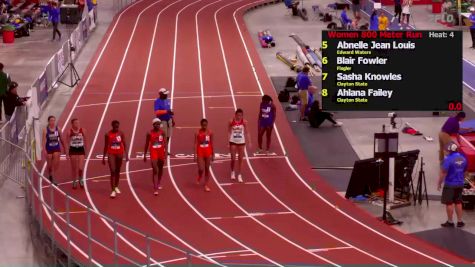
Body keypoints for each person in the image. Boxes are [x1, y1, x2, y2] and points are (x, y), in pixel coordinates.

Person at [438, 142, 467, 228]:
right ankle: (460, 221)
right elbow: (465, 172)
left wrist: (439, 183)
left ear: (449, 150)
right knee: (458, 202)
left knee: (449, 203)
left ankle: (450, 222)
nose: (445, 151)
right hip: (460, 183)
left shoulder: (448, 159)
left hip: (450, 184)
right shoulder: (463, 158)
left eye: (446, 150)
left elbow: (443, 173)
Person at [102, 120, 129, 198]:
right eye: (115, 126)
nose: (117, 128)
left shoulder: (121, 133)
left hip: (119, 154)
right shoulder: (107, 134)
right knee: (113, 171)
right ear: (112, 126)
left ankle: (116, 186)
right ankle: (113, 190)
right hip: (111, 154)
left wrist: (126, 155)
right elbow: (105, 146)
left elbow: (124, 144)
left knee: (118, 171)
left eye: (118, 126)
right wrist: (103, 157)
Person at [144, 118, 167, 195]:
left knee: (160, 168)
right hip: (153, 152)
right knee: (155, 169)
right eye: (156, 124)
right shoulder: (149, 133)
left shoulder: (162, 132)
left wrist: (166, 152)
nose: (157, 125)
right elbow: (147, 144)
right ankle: (155, 187)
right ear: (153, 125)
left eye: (159, 124)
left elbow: (165, 143)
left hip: (161, 152)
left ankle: (159, 182)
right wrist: (144, 155)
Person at [229, 109, 250, 183]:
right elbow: (229, 131)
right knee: (233, 158)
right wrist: (227, 141)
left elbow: (247, 132)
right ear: (235, 115)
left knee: (240, 158)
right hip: (233, 141)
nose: (239, 117)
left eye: (241, 115)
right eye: (238, 115)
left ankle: (240, 174)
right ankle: (232, 171)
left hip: (241, 142)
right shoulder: (231, 121)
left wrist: (249, 141)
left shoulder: (244, 122)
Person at [43, 115, 65, 186]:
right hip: (49, 148)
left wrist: (65, 148)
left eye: (53, 120)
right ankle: (50, 174)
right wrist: (44, 150)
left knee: (55, 160)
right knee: (49, 164)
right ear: (48, 122)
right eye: (51, 121)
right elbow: (44, 141)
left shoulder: (58, 129)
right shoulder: (45, 130)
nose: (52, 122)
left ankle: (52, 176)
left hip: (56, 147)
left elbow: (62, 139)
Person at [66, 118, 87, 189]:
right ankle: (74, 180)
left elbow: (86, 141)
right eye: (75, 123)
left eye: (78, 123)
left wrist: (86, 150)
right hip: (73, 150)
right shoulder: (69, 132)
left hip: (81, 149)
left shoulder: (83, 130)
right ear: (72, 124)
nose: (77, 124)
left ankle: (80, 179)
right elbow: (67, 142)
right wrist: (67, 153)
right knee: (74, 168)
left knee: (80, 168)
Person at [194, 118, 214, 192]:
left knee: (207, 168)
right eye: (203, 125)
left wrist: (213, 154)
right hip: (200, 152)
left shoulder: (210, 132)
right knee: (201, 168)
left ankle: (206, 184)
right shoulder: (197, 133)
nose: (204, 126)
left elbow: (212, 143)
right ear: (201, 125)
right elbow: (195, 143)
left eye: (206, 125)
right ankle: (199, 175)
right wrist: (194, 155)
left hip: (208, 152)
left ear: (207, 125)